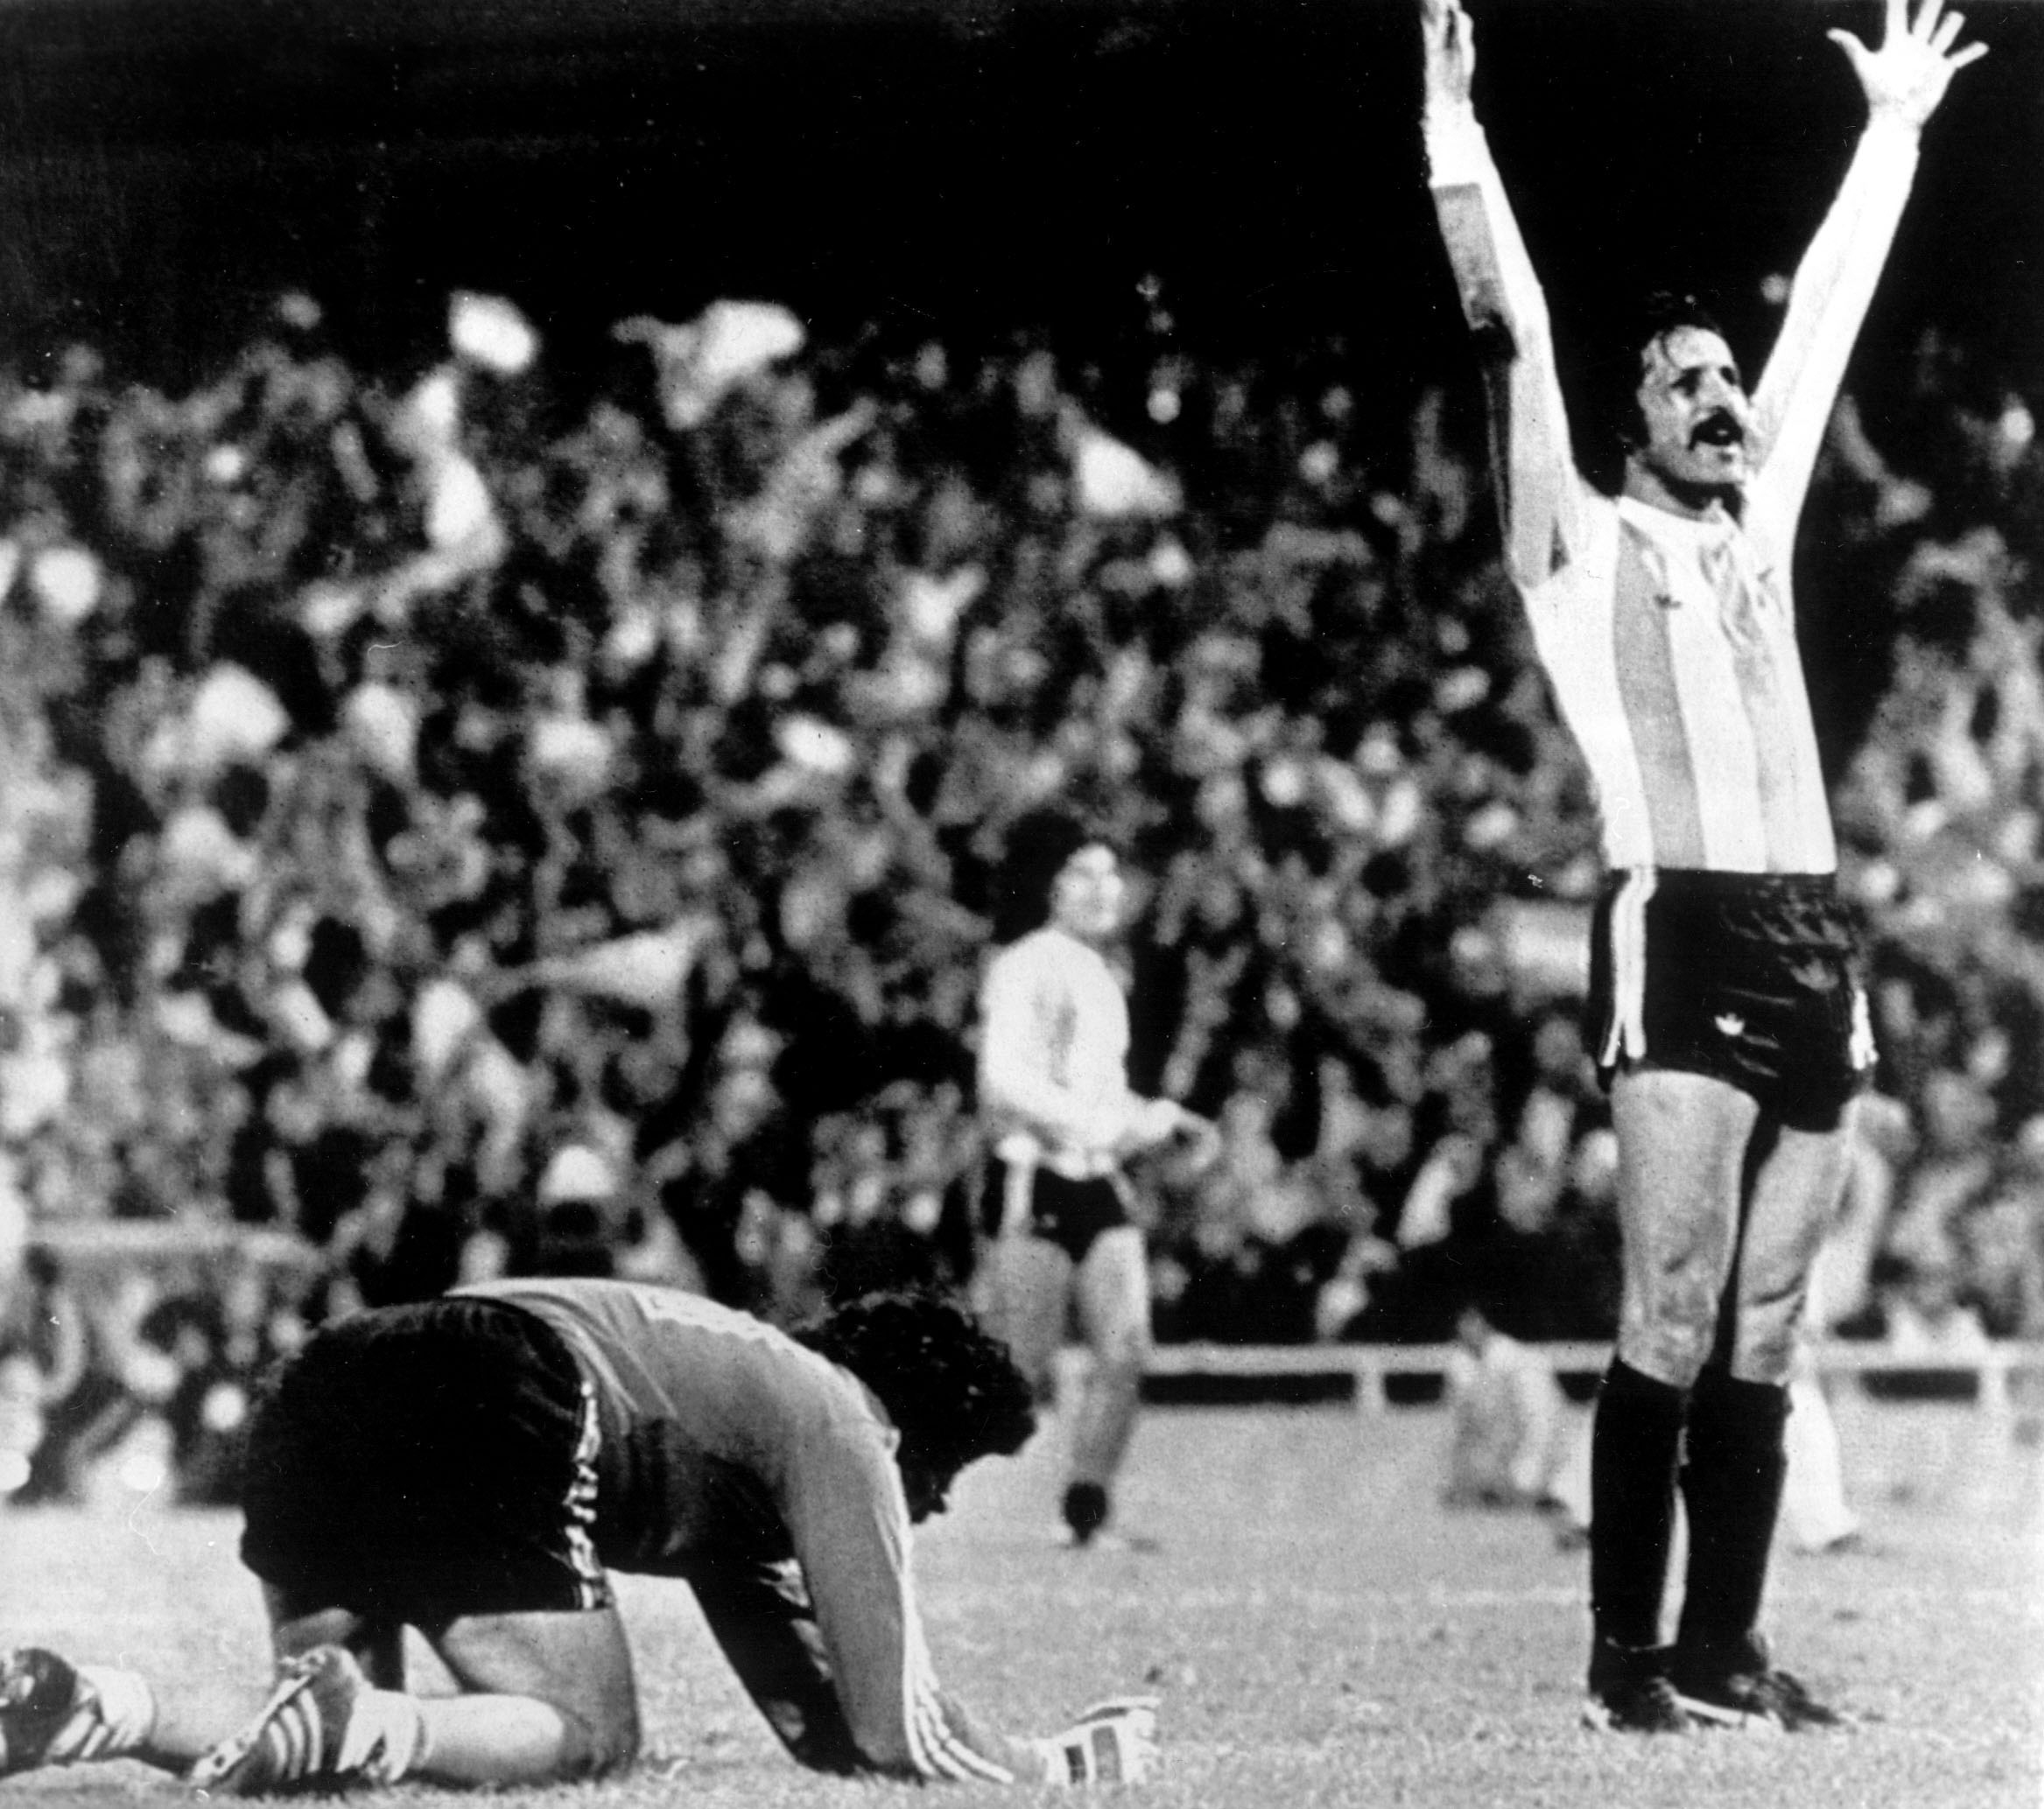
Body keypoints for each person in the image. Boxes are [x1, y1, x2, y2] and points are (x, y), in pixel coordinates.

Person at [1417, 0, 1985, 1735]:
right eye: (1685, 383)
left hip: (1813, 932)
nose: (1724, 397)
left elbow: (1822, 314)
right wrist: (1459, 139)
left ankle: (1728, 1645)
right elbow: (1509, 320)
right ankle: (1623, 1657)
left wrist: (1889, 129)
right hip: (1680, 927)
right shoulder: (1579, 553)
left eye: (1722, 381)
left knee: (1777, 1312)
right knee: (1668, 1300)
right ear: (1631, 423)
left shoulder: (1760, 524)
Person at [0, 1280, 1158, 1791]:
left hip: (326, 1373)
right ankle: (353, 1704)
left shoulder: (745, 1421)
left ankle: (92, 1703)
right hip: (492, 1376)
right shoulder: (839, 1421)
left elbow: (822, 1725)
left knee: (313, 1755)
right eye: (944, 1471)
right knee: (589, 1734)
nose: (936, 1505)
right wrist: (1057, 1761)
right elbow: (893, 1725)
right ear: (905, 1425)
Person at [974, 808, 1216, 1546]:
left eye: (1111, 871)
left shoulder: (1101, 971)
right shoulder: (1024, 964)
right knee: (1019, 1371)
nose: (1105, 886)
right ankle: (905, 1485)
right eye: (1084, 871)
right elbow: (1005, 1082)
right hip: (1035, 1176)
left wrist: (1161, 1118)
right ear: (1048, 884)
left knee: (1127, 1343)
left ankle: (1086, 1508)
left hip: (1096, 1178)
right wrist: (1106, 1126)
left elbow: (1095, 1094)